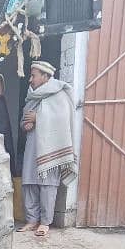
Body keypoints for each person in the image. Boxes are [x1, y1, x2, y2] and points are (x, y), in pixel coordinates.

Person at [19, 61, 77, 237]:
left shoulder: (59, 95)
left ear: (45, 76)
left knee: (48, 186)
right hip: (32, 146)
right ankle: (32, 220)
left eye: (33, 75)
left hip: (51, 149)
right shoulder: (32, 96)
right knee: (29, 183)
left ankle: (45, 222)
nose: (30, 80)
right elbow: (24, 120)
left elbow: (63, 120)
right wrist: (26, 125)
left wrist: (39, 117)